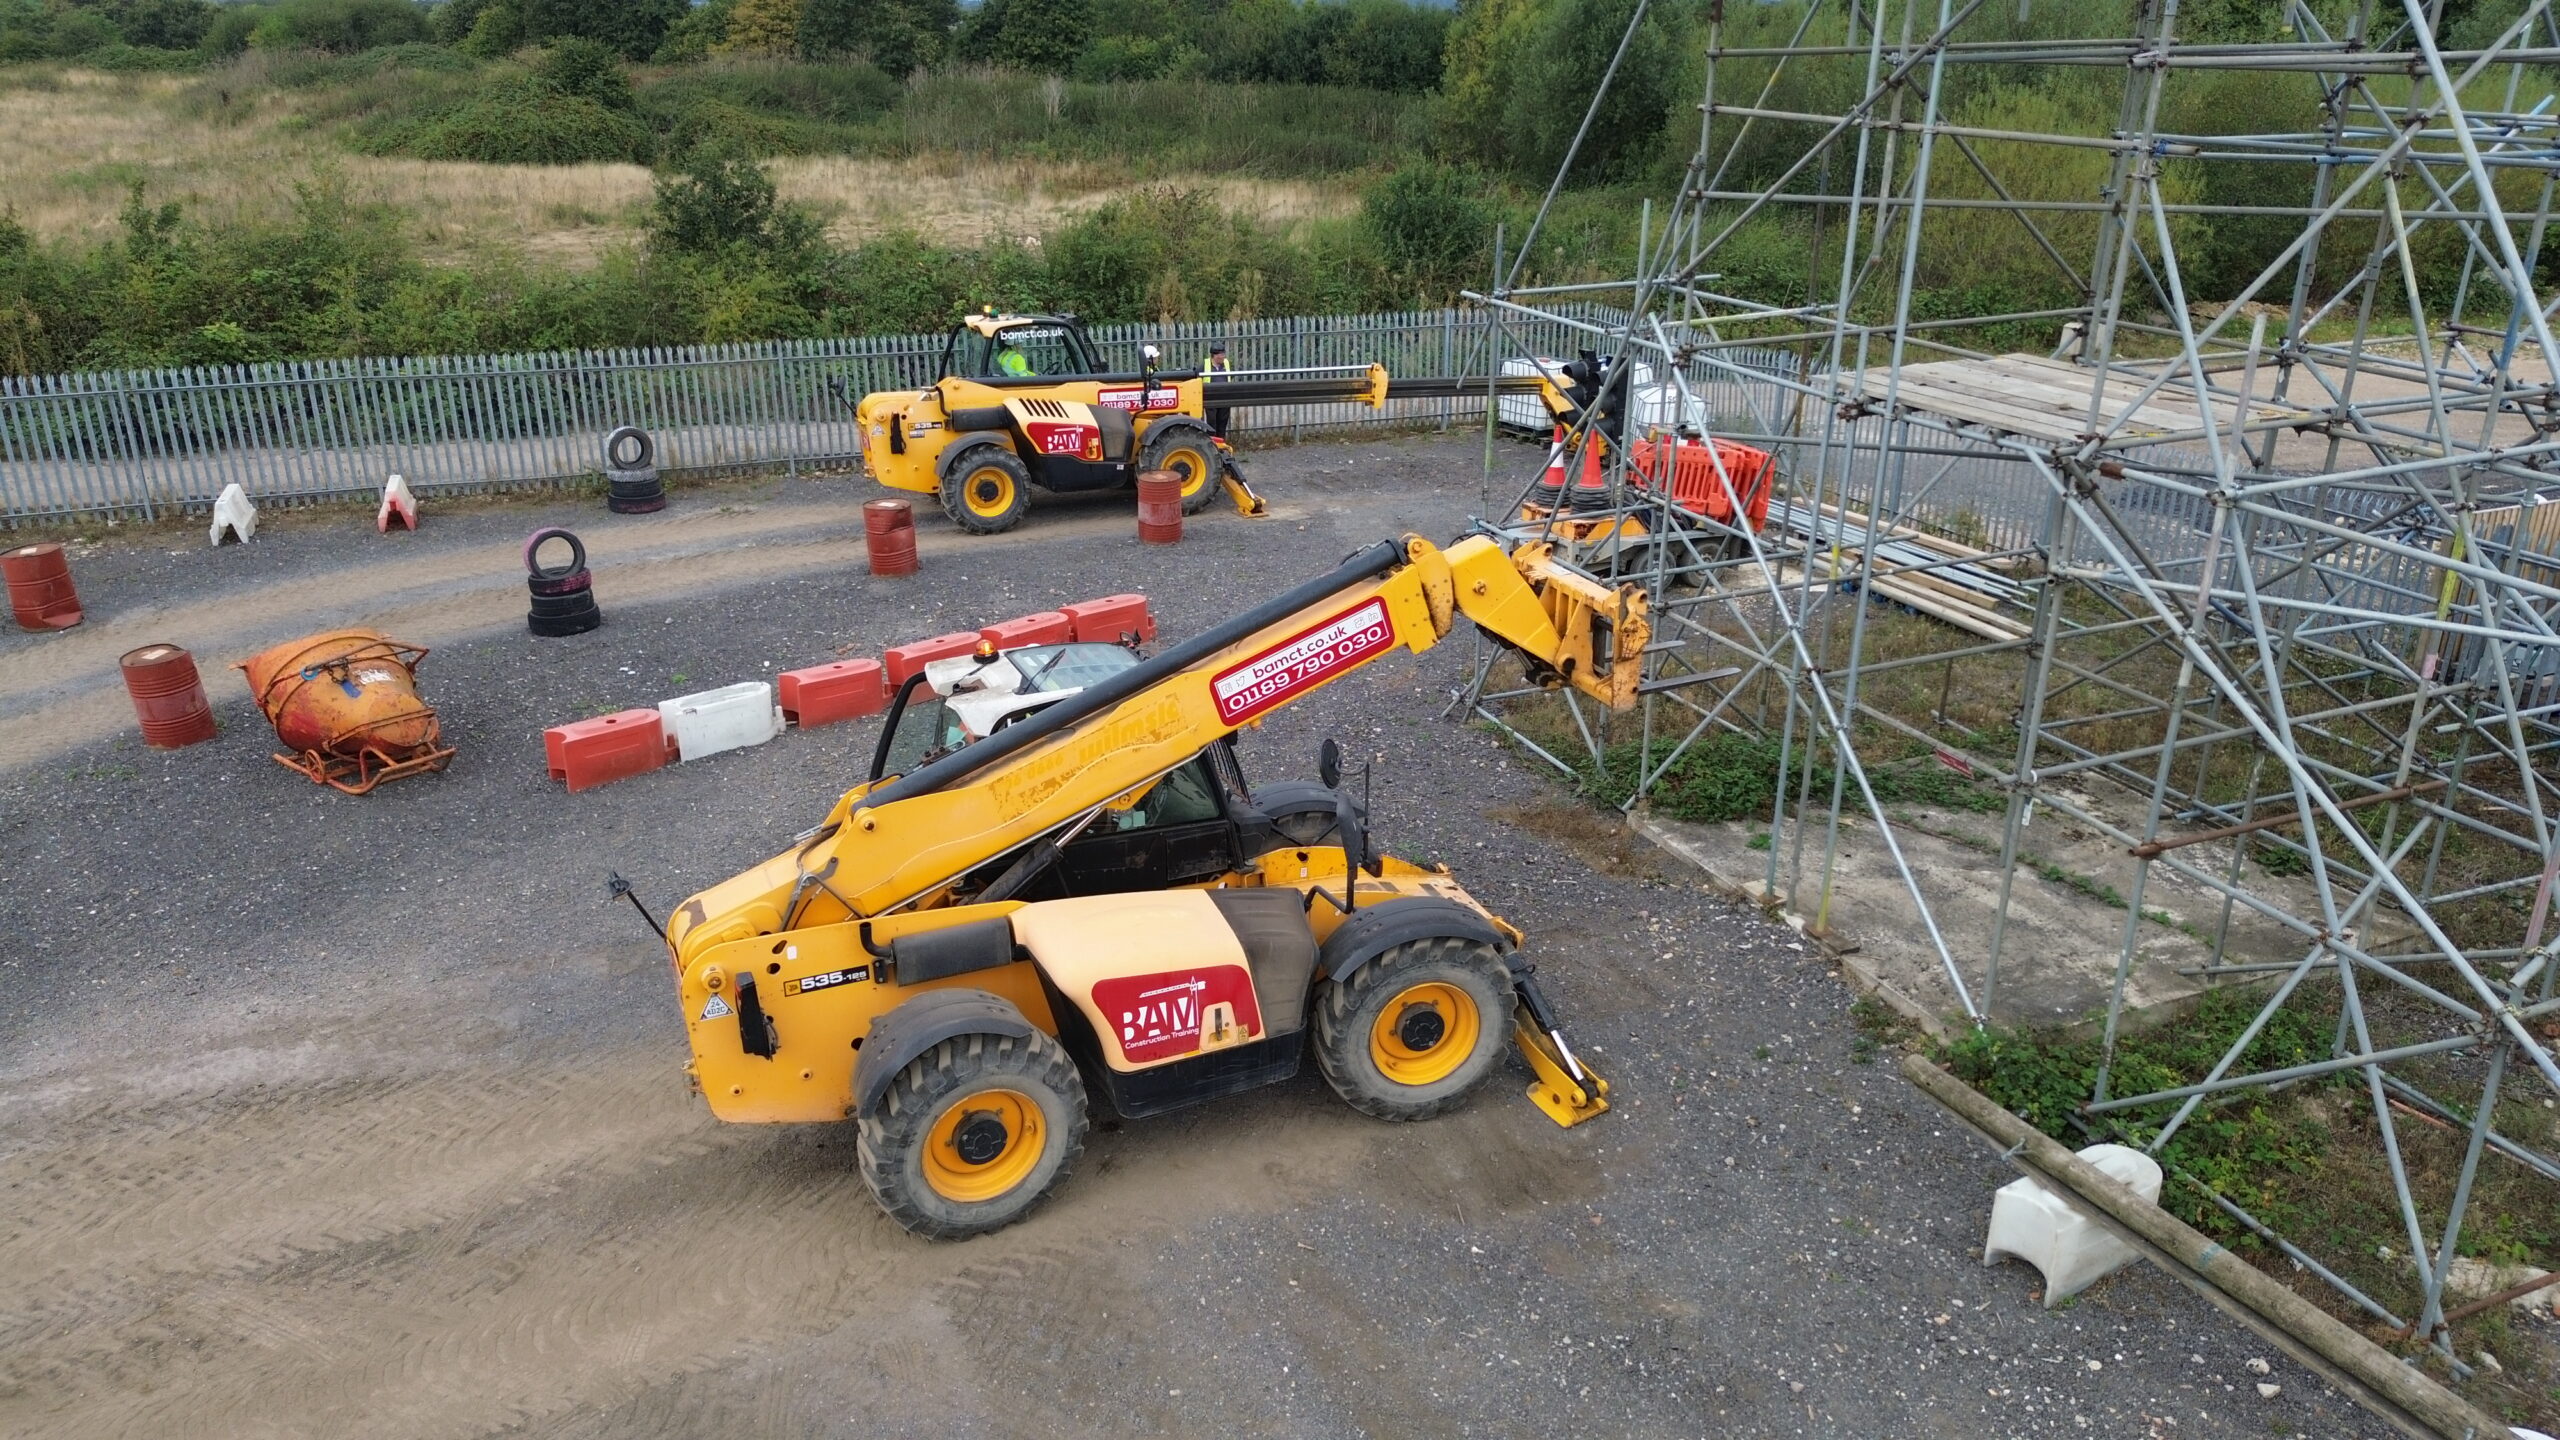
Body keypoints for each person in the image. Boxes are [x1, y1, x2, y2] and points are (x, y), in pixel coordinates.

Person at [1202, 343, 1234, 437]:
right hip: (1211, 399)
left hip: (1224, 398)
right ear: (1214, 355)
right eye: (1221, 354)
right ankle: (1211, 445)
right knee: (1212, 424)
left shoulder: (1226, 364)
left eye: (1224, 354)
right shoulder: (1205, 364)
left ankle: (1221, 445)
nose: (1223, 357)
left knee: (1222, 423)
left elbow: (1230, 376)